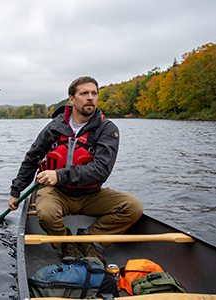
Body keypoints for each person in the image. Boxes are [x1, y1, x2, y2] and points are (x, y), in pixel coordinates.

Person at [8, 76, 143, 264]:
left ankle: (89, 238)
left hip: (90, 194)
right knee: (46, 212)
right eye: (84, 93)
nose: (90, 98)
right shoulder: (54, 127)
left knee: (133, 207)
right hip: (57, 193)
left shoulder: (107, 128)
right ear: (71, 99)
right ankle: (65, 242)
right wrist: (16, 191)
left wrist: (59, 175)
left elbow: (101, 170)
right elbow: (32, 158)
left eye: (94, 93)